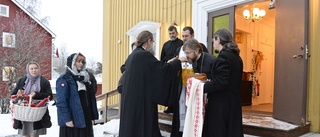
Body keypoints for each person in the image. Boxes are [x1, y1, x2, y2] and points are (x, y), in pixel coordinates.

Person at [119, 30, 183, 137]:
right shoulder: (144, 55)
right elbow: (160, 71)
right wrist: (177, 62)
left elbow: (154, 69)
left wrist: (169, 63)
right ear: (148, 41)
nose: (152, 45)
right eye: (152, 42)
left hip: (132, 102)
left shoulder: (133, 55)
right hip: (141, 102)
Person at [170, 39, 216, 137]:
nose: (186, 56)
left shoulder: (211, 61)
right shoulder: (193, 60)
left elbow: (214, 80)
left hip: (210, 99)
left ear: (196, 51)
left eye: (188, 53)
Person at [202, 28, 244, 137]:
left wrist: (202, 87)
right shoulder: (237, 57)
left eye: (214, 40)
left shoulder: (223, 56)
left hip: (221, 104)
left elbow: (221, 82)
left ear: (218, 39)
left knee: (219, 131)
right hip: (233, 102)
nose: (213, 43)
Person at [56, 53, 99, 137]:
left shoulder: (85, 79)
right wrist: (67, 119)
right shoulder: (64, 79)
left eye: (82, 62)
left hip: (84, 117)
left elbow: (89, 98)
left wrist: (92, 114)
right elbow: (61, 101)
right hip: (72, 118)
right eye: (78, 61)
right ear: (72, 63)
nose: (81, 64)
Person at [11, 61, 53, 137]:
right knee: (25, 134)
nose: (34, 70)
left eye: (36, 68)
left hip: (37, 112)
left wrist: (37, 95)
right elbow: (13, 94)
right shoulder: (22, 80)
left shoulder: (44, 82)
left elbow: (49, 96)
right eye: (32, 69)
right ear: (28, 70)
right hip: (24, 113)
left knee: (35, 135)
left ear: (39, 69)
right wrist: (18, 94)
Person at [160, 25, 184, 113]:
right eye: (170, 33)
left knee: (177, 88)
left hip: (179, 70)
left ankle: (177, 108)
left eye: (173, 33)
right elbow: (162, 58)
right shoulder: (166, 45)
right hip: (169, 70)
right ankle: (170, 107)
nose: (171, 35)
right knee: (169, 89)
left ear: (177, 33)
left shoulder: (181, 43)